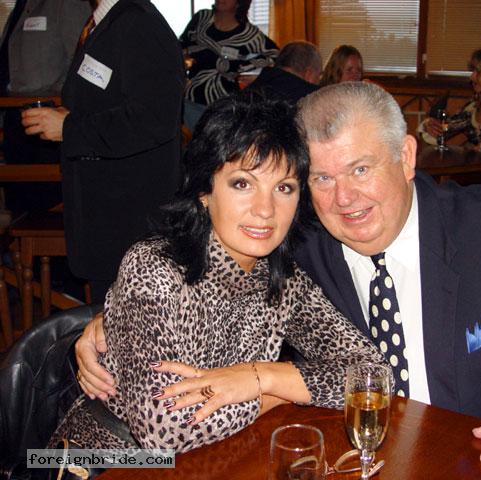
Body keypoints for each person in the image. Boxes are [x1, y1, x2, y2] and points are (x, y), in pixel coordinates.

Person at [76, 82, 481, 474]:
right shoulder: (299, 242)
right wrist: (110, 319)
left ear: (407, 156)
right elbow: (200, 260)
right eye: (320, 178)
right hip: (344, 459)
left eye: (361, 169)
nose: (344, 199)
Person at [52, 93, 384, 452]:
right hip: (106, 458)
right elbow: (163, 432)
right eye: (242, 184)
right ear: (204, 191)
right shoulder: (155, 268)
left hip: (217, 457)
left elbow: (371, 375)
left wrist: (261, 376)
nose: (265, 209)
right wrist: (275, 394)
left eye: (283, 188)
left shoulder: (283, 281)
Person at [21, 0, 185, 304]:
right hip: (109, 221)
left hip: (130, 225)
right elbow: (111, 100)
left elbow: (155, 118)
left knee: (129, 327)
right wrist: (66, 118)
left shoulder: (139, 23)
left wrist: (69, 128)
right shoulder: (107, 22)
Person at [0, 0, 92, 215]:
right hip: (17, 128)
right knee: (21, 213)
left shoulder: (66, 4)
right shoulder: (21, 6)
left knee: (49, 213)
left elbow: (84, 67)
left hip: (52, 135)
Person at [180, 0, 278, 107]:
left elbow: (276, 55)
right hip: (191, 97)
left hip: (226, 103)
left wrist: (241, 68)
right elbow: (180, 46)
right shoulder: (202, 18)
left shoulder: (249, 34)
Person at [245, 40, 321, 104]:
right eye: (318, 75)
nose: (319, 80)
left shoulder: (251, 90)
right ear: (309, 74)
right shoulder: (313, 98)